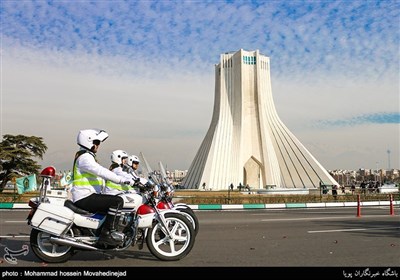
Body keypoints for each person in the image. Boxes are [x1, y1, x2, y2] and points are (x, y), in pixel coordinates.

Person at [70, 129, 136, 247]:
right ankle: (107, 234)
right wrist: (121, 180)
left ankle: (101, 233)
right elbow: (101, 171)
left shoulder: (86, 156)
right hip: (84, 196)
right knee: (117, 201)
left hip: (87, 195)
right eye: (97, 142)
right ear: (88, 142)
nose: (98, 145)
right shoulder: (85, 158)